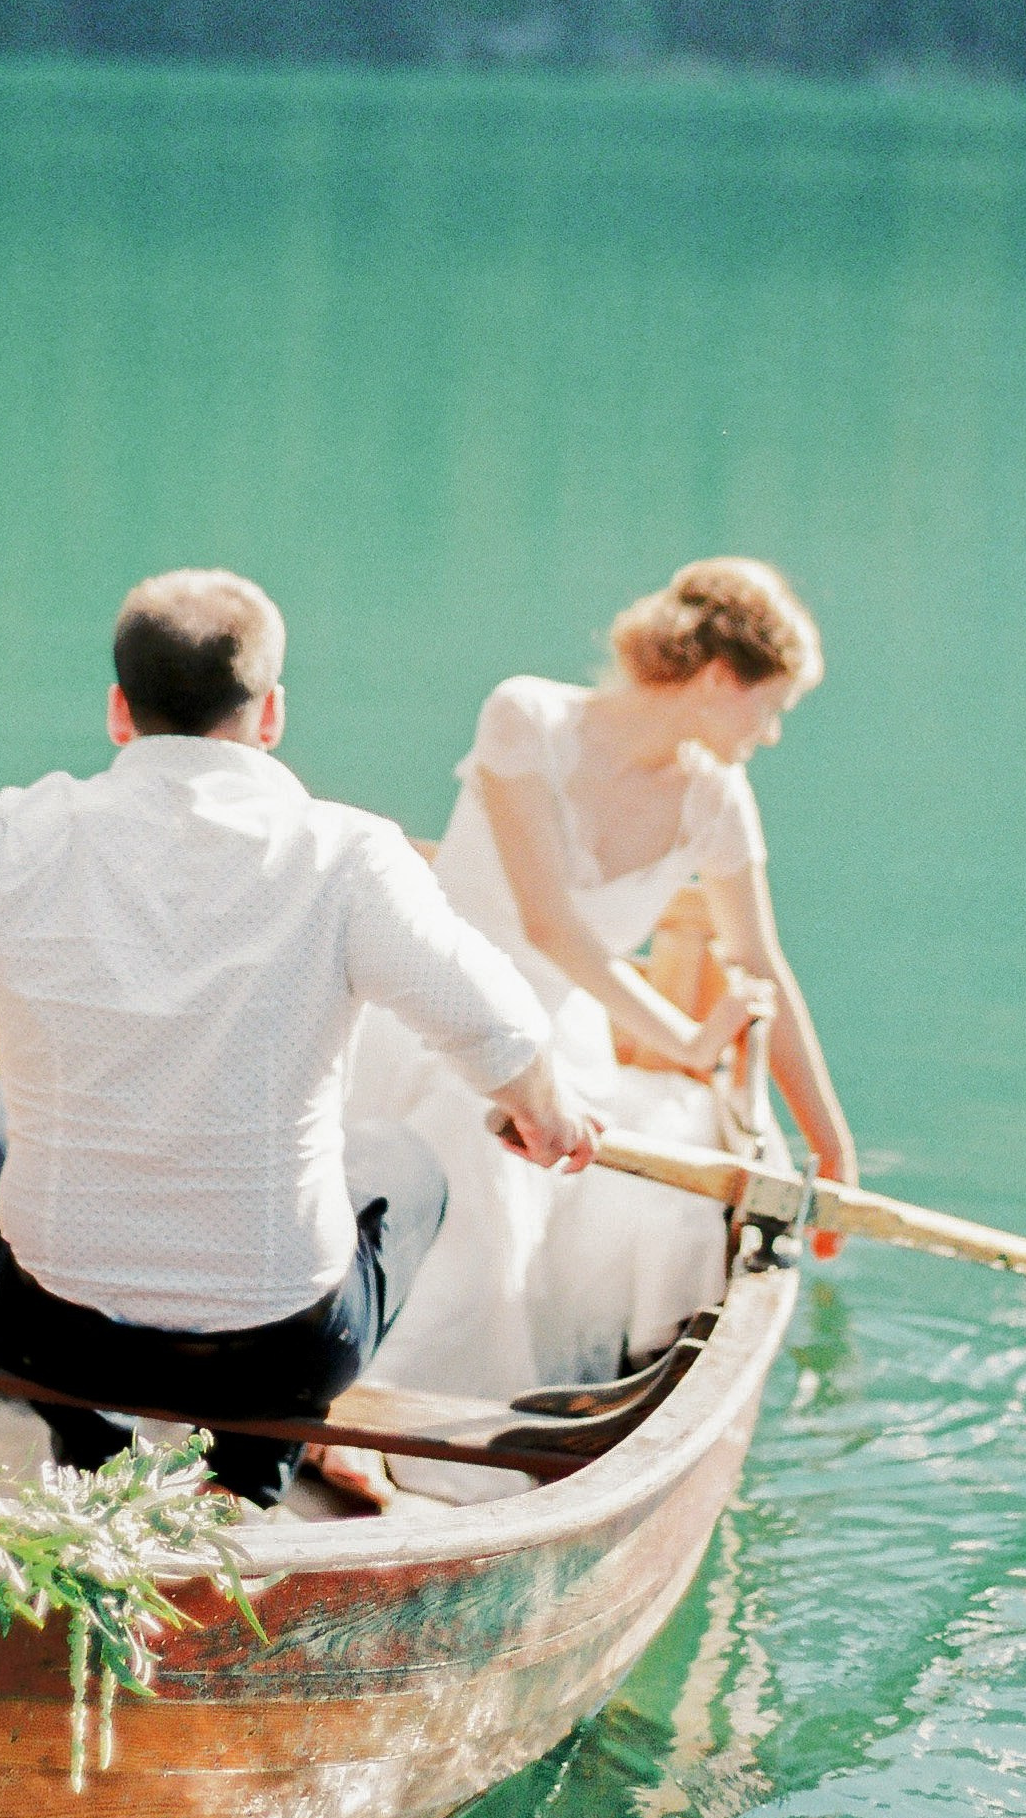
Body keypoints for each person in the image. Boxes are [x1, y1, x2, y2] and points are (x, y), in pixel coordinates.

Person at [0, 570, 599, 1508]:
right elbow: (496, 1024)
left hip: (55, 1336)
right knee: (407, 1164)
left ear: (118, 710)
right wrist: (546, 1118)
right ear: (270, 714)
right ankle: (252, 1464)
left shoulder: (17, 834)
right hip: (278, 1356)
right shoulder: (347, 855)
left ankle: (88, 1434)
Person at [355, 556, 858, 1418]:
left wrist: (832, 1144)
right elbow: (548, 922)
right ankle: (362, 1409)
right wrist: (689, 1043)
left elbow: (761, 965)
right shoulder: (525, 716)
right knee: (467, 1153)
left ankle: (389, 1421)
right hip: (438, 1012)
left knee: (570, 1204)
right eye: (769, 706)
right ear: (715, 676)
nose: (770, 732)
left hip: (561, 1038)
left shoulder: (716, 798)